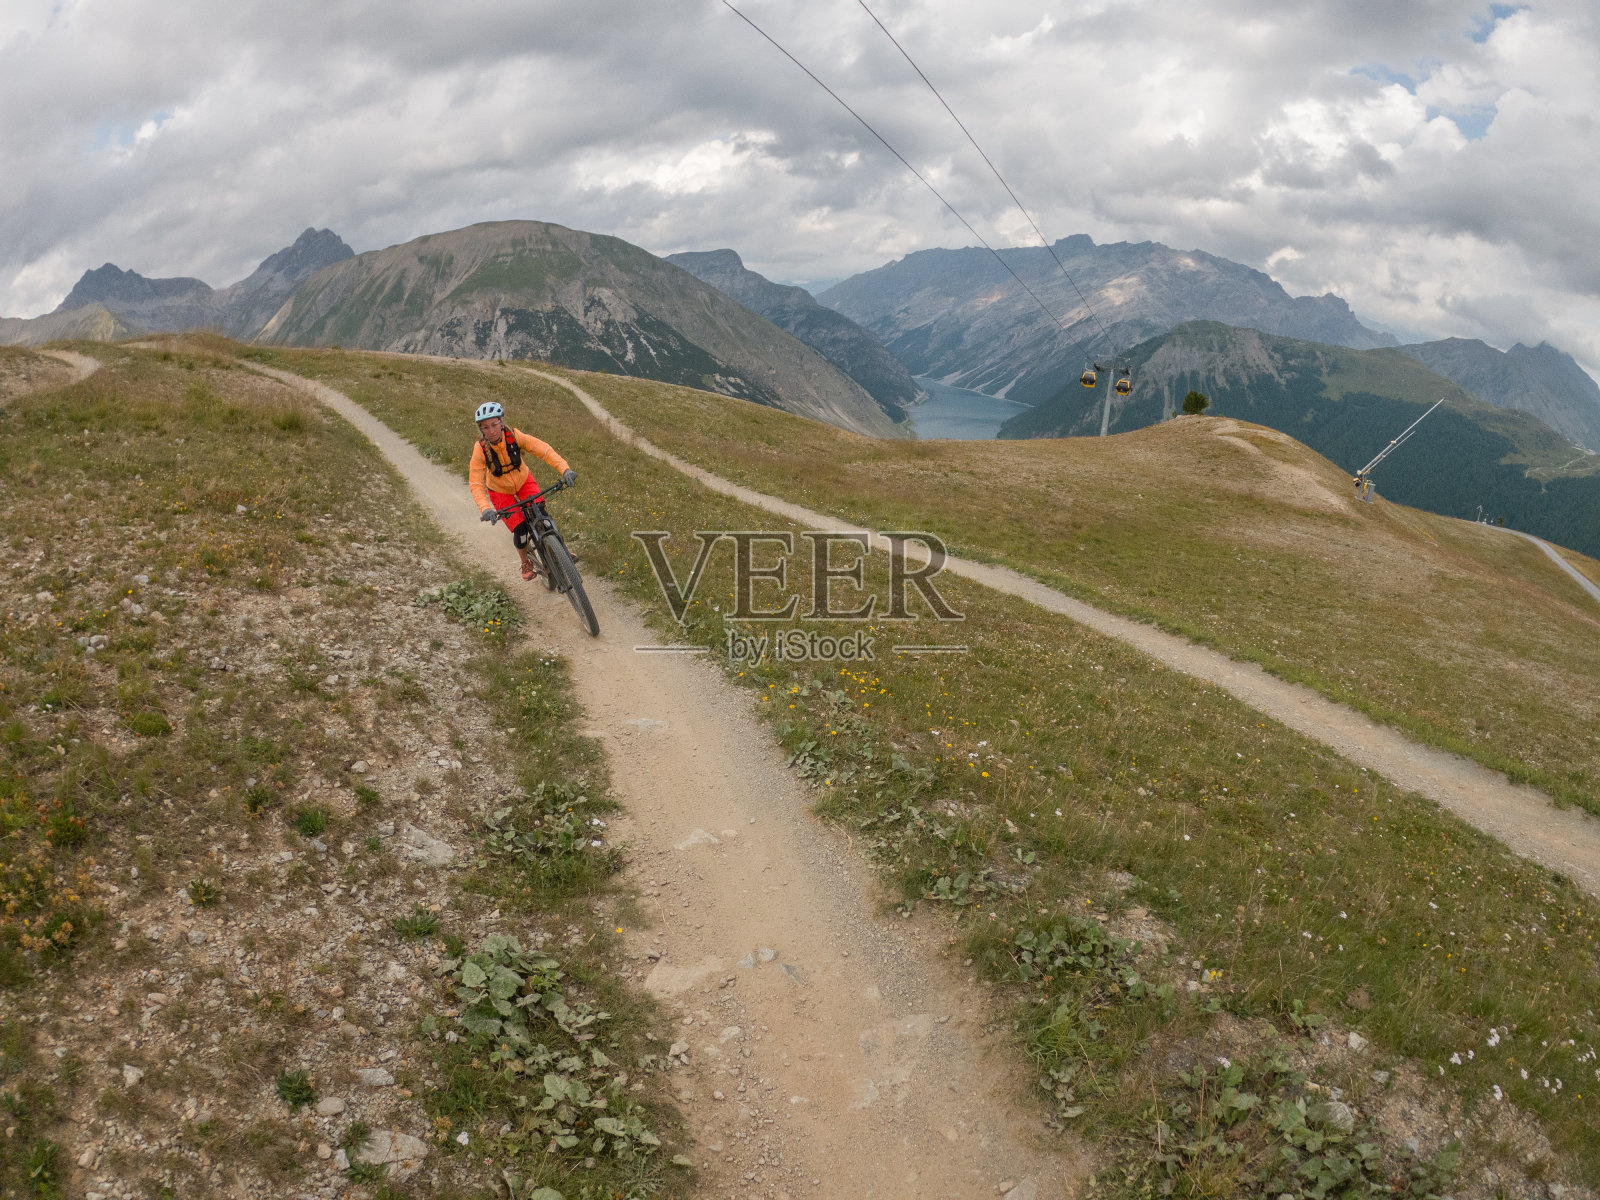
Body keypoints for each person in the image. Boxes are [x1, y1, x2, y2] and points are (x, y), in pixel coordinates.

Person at [468, 401, 576, 581]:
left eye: (494, 425)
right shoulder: (480, 450)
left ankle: (562, 552)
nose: (492, 430)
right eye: (485, 427)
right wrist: (485, 509)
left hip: (524, 481)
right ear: (481, 430)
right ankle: (525, 561)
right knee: (520, 529)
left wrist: (565, 470)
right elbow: (476, 483)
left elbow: (544, 450)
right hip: (500, 491)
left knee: (543, 517)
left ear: (501, 423)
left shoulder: (515, 436)